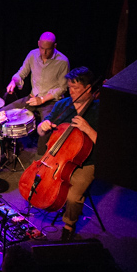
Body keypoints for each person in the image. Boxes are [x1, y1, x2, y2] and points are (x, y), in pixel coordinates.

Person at [36, 67, 100, 241]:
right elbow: (41, 132)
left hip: (86, 162)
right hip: (59, 158)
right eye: (70, 87)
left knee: (72, 196)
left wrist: (87, 128)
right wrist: (43, 127)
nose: (71, 92)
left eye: (76, 88)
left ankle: (69, 225)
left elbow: (107, 146)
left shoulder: (100, 110)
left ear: (88, 89)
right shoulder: (62, 105)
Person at [5, 32, 70, 153]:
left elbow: (62, 88)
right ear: (38, 44)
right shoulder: (32, 54)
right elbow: (22, 73)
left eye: (48, 49)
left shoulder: (63, 61)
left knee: (45, 129)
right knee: (3, 114)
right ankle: (9, 148)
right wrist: (14, 81)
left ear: (54, 46)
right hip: (32, 98)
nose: (44, 53)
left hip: (51, 101)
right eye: (42, 48)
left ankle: (40, 159)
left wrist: (43, 99)